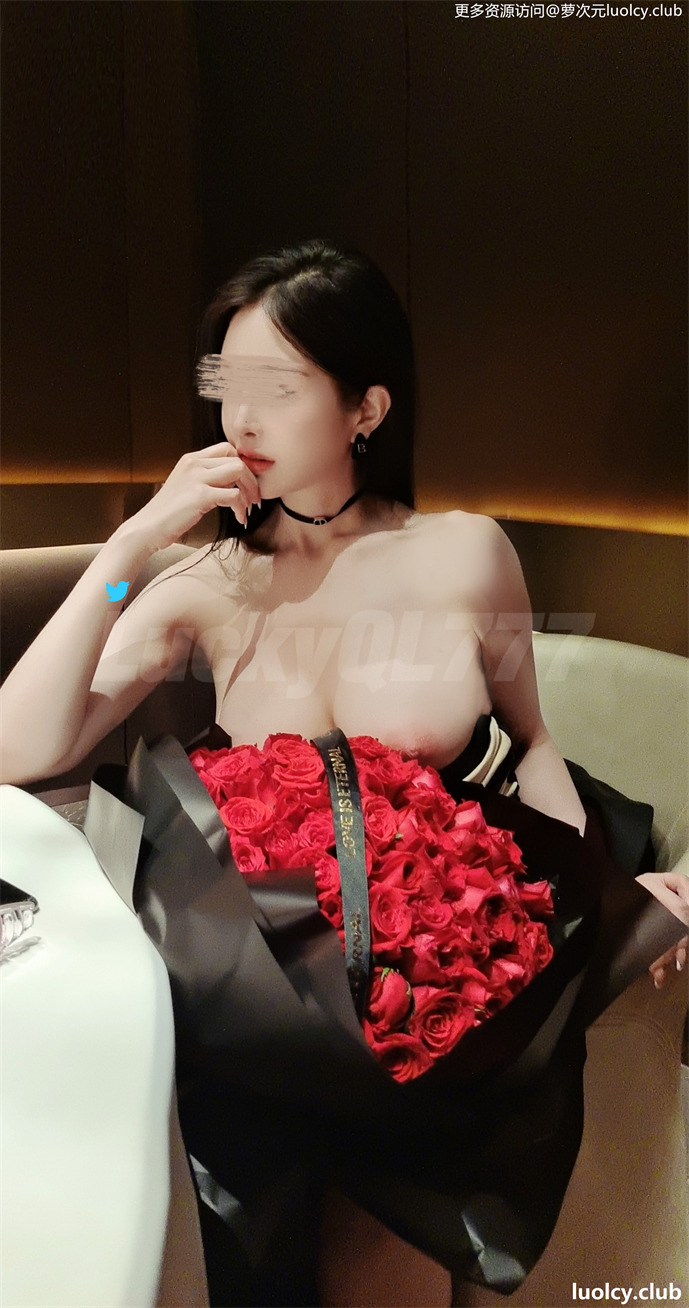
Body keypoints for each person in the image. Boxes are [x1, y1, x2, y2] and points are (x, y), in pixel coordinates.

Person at [1, 237, 687, 1306]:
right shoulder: (204, 583)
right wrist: (130, 545)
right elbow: (19, 747)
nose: (240, 420)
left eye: (276, 389)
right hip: (257, 976)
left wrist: (604, 893)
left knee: (381, 1224)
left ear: (366, 408)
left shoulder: (465, 552)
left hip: (427, 949)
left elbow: (531, 747)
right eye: (227, 388)